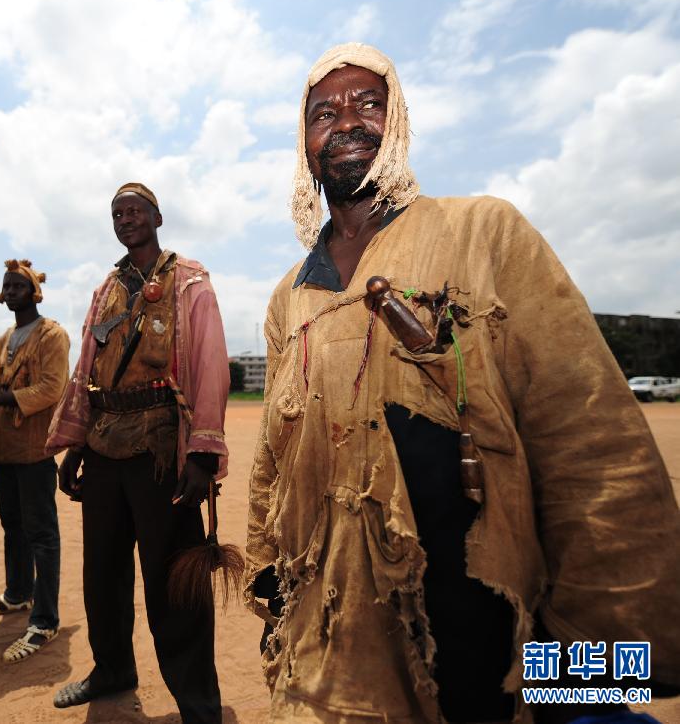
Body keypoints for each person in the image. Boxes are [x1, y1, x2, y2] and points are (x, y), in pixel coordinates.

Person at [245, 43, 680, 724]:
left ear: (399, 124)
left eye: (368, 102)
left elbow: (585, 435)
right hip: (334, 618)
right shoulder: (288, 296)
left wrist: (600, 653)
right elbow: (272, 458)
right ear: (304, 143)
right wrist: (270, 569)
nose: (347, 120)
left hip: (468, 597)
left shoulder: (484, 230)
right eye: (323, 112)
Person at [47, 182, 230, 722]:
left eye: (135, 211)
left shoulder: (189, 280)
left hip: (160, 448)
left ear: (157, 218)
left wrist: (200, 455)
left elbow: (210, 363)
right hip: (104, 445)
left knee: (172, 581)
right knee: (102, 573)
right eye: (117, 213)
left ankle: (198, 701)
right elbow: (87, 368)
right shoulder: (106, 288)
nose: (125, 219)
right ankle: (112, 670)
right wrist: (76, 445)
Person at [0, 259, 69, 664]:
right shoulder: (6, 337)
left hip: (35, 449)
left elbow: (52, 388)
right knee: (12, 525)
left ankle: (46, 618)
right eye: (7, 286)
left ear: (34, 292)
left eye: (19, 285)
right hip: (3, 448)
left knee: (41, 532)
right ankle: (20, 592)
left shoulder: (52, 334)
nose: (12, 291)